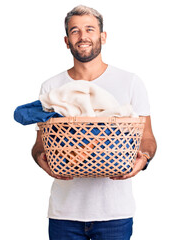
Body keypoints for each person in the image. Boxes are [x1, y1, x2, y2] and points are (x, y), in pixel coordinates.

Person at [32, 5, 157, 240]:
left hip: (114, 213)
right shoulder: (51, 87)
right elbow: (40, 144)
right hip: (64, 213)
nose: (83, 36)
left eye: (89, 29)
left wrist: (143, 159)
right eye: (75, 31)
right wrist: (41, 159)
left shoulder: (130, 82)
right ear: (67, 40)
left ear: (103, 36)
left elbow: (147, 138)